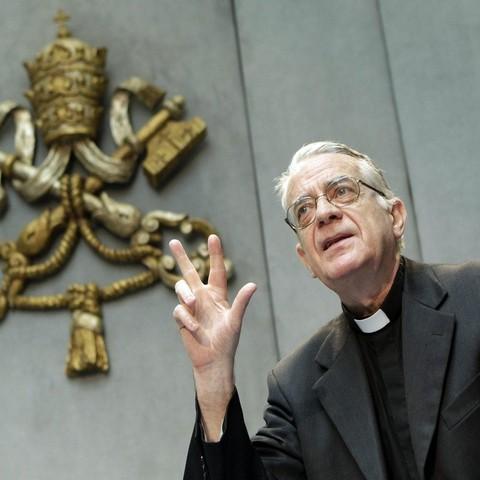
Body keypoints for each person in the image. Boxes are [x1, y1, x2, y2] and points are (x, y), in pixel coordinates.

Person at [169, 141, 480, 479]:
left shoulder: (473, 295)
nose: (323, 213)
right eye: (303, 210)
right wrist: (213, 380)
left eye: (342, 191)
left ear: (395, 217)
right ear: (308, 261)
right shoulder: (296, 386)